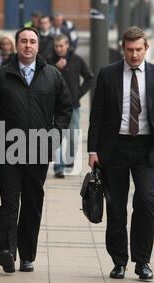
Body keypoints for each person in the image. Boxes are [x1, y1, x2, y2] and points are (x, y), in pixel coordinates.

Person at [0, 27, 73, 273]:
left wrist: (55, 135)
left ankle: (27, 255)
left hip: (39, 149)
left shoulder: (52, 75)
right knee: (9, 201)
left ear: (38, 45)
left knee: (32, 201)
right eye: (23, 41)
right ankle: (7, 252)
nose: (28, 46)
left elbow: (65, 108)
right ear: (17, 45)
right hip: (8, 148)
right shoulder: (2, 76)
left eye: (32, 41)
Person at [87, 26, 154, 280]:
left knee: (146, 202)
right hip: (115, 148)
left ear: (146, 48)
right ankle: (119, 261)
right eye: (129, 50)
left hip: (146, 149)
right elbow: (97, 115)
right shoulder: (108, 74)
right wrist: (92, 150)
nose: (134, 55)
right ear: (122, 49)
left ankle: (142, 261)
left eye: (138, 49)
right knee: (116, 207)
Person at [47, 34, 94, 178]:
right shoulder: (49, 60)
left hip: (73, 105)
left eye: (61, 46)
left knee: (73, 136)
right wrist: (56, 68)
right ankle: (59, 167)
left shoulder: (76, 60)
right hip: (54, 105)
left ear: (67, 45)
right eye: (56, 46)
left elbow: (89, 78)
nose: (59, 49)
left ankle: (69, 159)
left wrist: (78, 94)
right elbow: (44, 78)